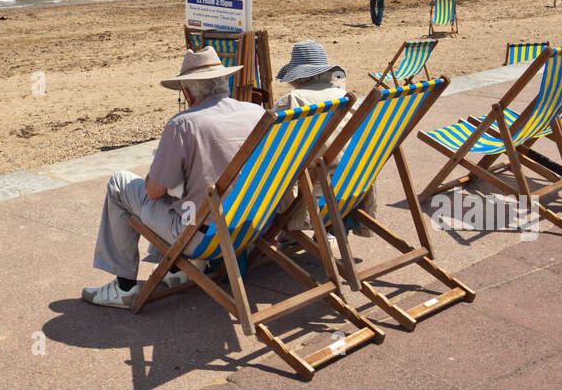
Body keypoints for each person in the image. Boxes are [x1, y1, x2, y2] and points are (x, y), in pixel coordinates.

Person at [83, 49, 265, 309]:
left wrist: (158, 168)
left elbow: (154, 191)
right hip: (251, 224)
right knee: (189, 193)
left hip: (202, 237)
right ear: (224, 82)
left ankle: (124, 288)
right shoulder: (256, 114)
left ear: (188, 93)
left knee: (120, 184)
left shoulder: (184, 124)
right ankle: (179, 271)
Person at [271, 40, 375, 236]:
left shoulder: (293, 102)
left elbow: (269, 150)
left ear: (297, 75)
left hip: (312, 197)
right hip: (351, 188)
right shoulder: (345, 97)